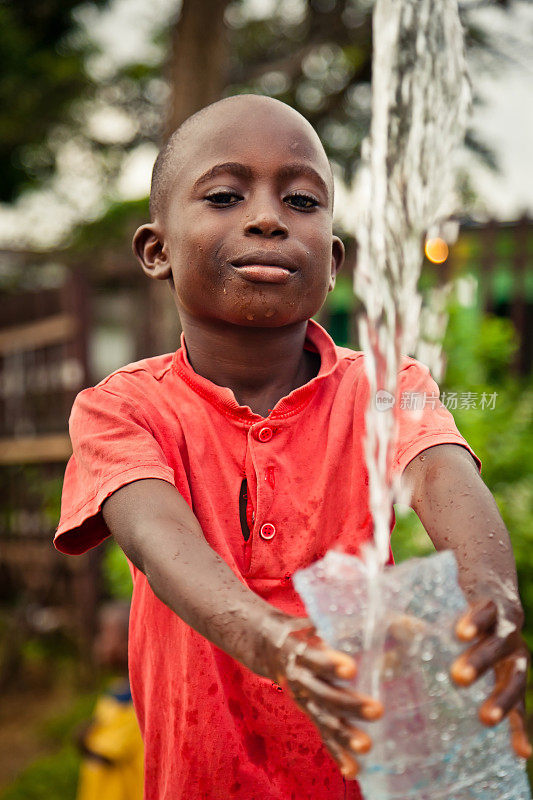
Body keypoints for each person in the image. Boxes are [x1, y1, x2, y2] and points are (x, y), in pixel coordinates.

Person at [55, 94, 530, 800]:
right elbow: (157, 539)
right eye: (224, 195)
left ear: (332, 261)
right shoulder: (122, 409)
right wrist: (276, 642)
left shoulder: (387, 384)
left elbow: (440, 474)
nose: (268, 217)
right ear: (156, 250)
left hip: (366, 777)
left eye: (303, 201)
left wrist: (489, 591)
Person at [75, 601, 144, 800]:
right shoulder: (115, 692)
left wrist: (82, 740)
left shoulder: (134, 703)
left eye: (104, 634)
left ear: (129, 642)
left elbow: (105, 751)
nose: (97, 643)